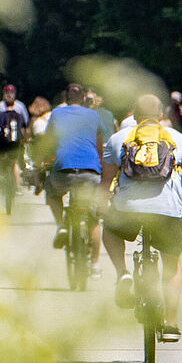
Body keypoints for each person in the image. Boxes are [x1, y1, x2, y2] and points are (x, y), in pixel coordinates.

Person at [103, 94, 182, 339]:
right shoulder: (176, 138)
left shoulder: (119, 138)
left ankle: (122, 273)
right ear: (161, 114)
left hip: (128, 208)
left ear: (135, 114)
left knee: (110, 229)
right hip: (168, 210)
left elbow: (106, 181)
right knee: (172, 264)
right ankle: (171, 325)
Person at [40, 83, 110, 258]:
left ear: (65, 99)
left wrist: (45, 160)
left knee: (52, 193)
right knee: (93, 219)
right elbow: (99, 143)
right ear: (84, 99)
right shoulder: (93, 115)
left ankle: (61, 225)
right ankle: (94, 265)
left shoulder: (56, 113)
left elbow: (49, 141)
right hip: (90, 171)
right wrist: (100, 164)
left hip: (64, 168)